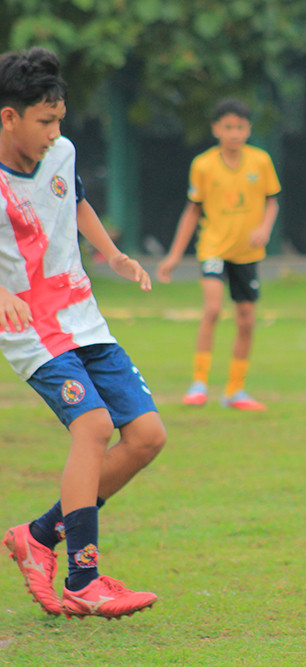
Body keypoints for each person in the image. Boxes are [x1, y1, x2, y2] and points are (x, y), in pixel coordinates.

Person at [0, 47, 164, 619]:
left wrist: (114, 255)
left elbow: (76, 202)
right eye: (44, 121)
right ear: (8, 116)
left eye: (59, 119)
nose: (55, 132)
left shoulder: (62, 151)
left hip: (83, 317)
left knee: (146, 436)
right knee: (93, 427)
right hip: (31, 330)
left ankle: (39, 535)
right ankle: (83, 578)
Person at [157, 98, 281, 411]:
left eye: (240, 127)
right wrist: (173, 256)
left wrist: (265, 228)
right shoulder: (203, 165)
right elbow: (192, 211)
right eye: (228, 127)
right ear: (216, 129)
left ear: (248, 129)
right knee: (212, 309)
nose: (235, 133)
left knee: (247, 320)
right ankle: (199, 383)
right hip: (213, 248)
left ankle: (235, 391)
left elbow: (272, 202)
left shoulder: (261, 161)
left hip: (247, 254)